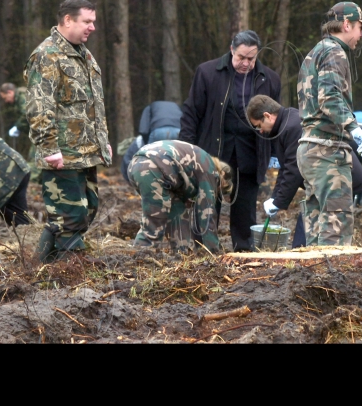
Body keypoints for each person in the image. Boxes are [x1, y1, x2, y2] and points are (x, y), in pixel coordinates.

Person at [25, 0, 112, 262]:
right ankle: (69, 275)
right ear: (67, 20)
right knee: (70, 218)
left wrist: (103, 140)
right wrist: (50, 148)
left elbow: (94, 104)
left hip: (86, 152)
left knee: (87, 211)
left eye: (93, 22)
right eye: (87, 21)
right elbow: (40, 107)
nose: (92, 27)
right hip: (63, 155)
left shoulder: (83, 54)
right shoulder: (47, 55)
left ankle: (38, 266)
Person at [180, 30, 281, 252]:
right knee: (207, 203)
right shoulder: (207, 73)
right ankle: (203, 250)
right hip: (213, 150)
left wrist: (275, 152)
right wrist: (186, 149)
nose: (245, 63)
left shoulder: (269, 79)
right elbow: (191, 113)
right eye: (241, 58)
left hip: (251, 151)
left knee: (245, 206)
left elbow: (276, 120)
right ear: (231, 50)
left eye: (251, 59)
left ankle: (244, 250)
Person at [247, 94, 362, 248]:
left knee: (326, 225)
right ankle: (302, 253)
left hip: (338, 177)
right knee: (308, 220)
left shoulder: (291, 126)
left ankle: (312, 257)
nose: (260, 131)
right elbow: (286, 167)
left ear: (268, 116)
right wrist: (275, 198)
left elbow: (294, 169)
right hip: (322, 179)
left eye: (259, 125)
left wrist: (279, 201)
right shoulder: (285, 124)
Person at [297, 2, 362, 246]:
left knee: (316, 230)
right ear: (346, 24)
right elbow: (329, 98)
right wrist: (355, 128)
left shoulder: (316, 51)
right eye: (361, 27)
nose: (361, 34)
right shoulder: (334, 52)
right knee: (336, 231)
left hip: (309, 149)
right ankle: (329, 284)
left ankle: (311, 282)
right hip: (326, 152)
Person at [127, 140, 232, 254]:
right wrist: (214, 251)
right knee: (155, 221)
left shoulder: (201, 160)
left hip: (137, 164)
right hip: (152, 167)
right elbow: (206, 212)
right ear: (222, 175)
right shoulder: (210, 170)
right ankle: (140, 256)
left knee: (178, 210)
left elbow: (181, 182)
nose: (216, 190)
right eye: (220, 188)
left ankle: (183, 252)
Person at [120, 101, 182, 183]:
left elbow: (143, 128)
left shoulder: (149, 108)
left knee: (151, 162)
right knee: (176, 160)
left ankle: (153, 185)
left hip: (158, 131)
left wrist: (146, 146)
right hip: (178, 130)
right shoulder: (177, 107)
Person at [0, 82, 39, 181]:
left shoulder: (22, 96)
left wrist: (17, 127)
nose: (6, 101)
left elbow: (27, 114)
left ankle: (26, 180)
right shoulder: (21, 96)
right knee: (35, 156)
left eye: (5, 98)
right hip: (39, 129)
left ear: (10, 92)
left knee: (36, 157)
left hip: (42, 130)